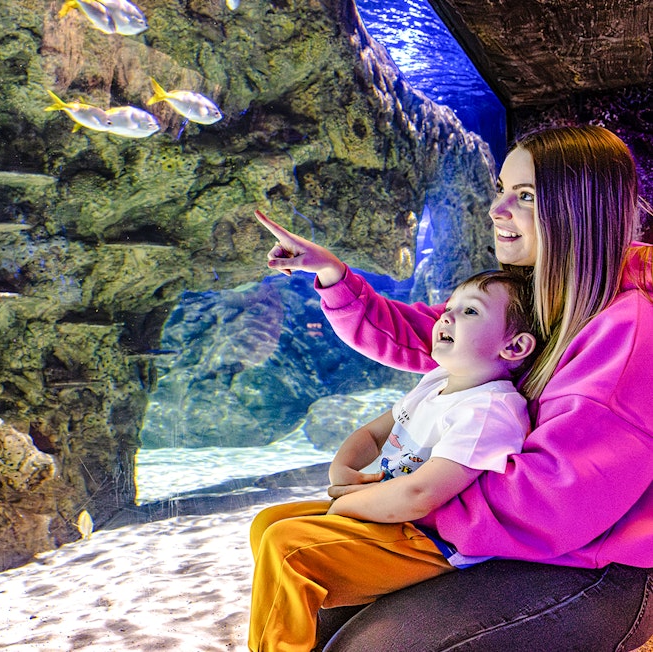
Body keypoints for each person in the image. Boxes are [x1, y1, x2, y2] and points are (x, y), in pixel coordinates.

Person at [252, 124, 653, 651]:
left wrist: (405, 499)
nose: (497, 209)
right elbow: (423, 335)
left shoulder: (627, 332)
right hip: (503, 538)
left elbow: (552, 499)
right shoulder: (535, 294)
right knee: (317, 610)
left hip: (597, 561)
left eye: (526, 196)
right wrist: (333, 277)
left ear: (580, 211)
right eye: (501, 190)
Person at [249, 269, 539, 652]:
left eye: (471, 312)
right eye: (449, 308)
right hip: (396, 519)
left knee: (288, 547)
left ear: (514, 347)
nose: (447, 317)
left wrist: (347, 503)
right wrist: (342, 470)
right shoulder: (436, 381)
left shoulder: (489, 410)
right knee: (269, 522)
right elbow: (372, 434)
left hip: (429, 540)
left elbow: (421, 493)